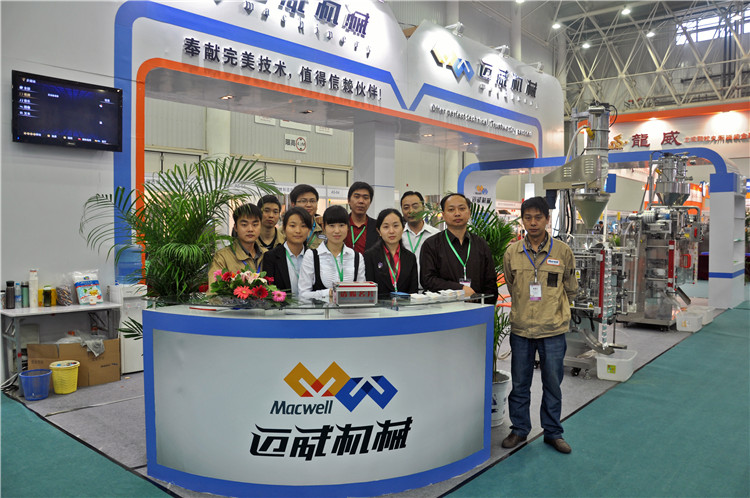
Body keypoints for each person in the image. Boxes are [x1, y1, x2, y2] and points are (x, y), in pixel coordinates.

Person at [501, 196, 578, 455]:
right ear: (522, 220)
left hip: (553, 329)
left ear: (547, 219)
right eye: (528, 218)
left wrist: (552, 307)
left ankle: (553, 432)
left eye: (538, 217)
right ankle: (519, 429)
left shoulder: (563, 252)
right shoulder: (512, 252)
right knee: (520, 383)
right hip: (522, 328)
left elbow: (571, 288)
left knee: (552, 384)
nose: (533, 222)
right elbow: (511, 284)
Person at [420, 193, 498, 304]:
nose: (457, 213)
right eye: (451, 210)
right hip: (444, 309)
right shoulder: (431, 244)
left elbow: (490, 282)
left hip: (477, 308)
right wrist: (460, 289)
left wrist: (485, 306)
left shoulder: (481, 244)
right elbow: (427, 280)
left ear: (469, 213)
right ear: (443, 215)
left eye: (462, 209)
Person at [298, 205, 366, 302]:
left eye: (341, 225)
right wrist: (329, 293)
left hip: (350, 311)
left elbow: (362, 292)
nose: (337, 231)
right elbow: (303, 294)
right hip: (321, 311)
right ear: (323, 227)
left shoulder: (357, 257)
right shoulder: (312, 256)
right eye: (331, 226)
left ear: (348, 227)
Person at [364, 209, 419, 296]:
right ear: (379, 231)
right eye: (386, 227)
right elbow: (369, 291)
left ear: (403, 228)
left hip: (405, 304)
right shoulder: (370, 256)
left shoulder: (410, 257)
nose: (391, 231)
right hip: (379, 304)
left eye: (396, 226)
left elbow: (413, 291)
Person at [208, 203, 265, 283]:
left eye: (255, 225)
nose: (250, 229)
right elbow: (213, 288)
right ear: (235, 227)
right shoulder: (222, 257)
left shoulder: (267, 254)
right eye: (244, 225)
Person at [261, 207, 312, 296]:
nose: (298, 231)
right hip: (282, 305)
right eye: (292, 226)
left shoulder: (315, 256)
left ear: (309, 230)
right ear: (284, 228)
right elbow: (269, 291)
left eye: (303, 226)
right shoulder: (271, 257)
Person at [400, 190, 439, 289]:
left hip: (429, 291)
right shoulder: (398, 235)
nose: (411, 211)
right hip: (403, 291)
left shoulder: (436, 235)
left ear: (423, 208)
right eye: (406, 207)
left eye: (415, 206)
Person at [344, 181, 378, 254]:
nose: (361, 201)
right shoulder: (341, 223)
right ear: (349, 200)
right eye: (357, 197)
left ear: (370, 202)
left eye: (365, 198)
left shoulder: (377, 227)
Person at [290, 184, 323, 250]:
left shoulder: (324, 229)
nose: (309, 205)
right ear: (293, 204)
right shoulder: (284, 231)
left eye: (312, 201)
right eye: (303, 201)